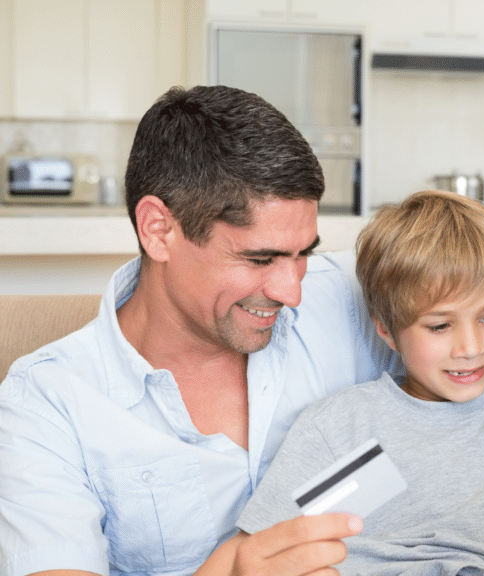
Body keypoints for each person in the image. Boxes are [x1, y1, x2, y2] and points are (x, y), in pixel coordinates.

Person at [0, 86, 399, 576]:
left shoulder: (341, 295)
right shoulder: (47, 402)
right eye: (259, 258)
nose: (292, 291)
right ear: (158, 230)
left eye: (303, 254)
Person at [220, 190, 484, 575]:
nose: (471, 347)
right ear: (387, 331)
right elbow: (261, 551)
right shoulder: (344, 424)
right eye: (440, 326)